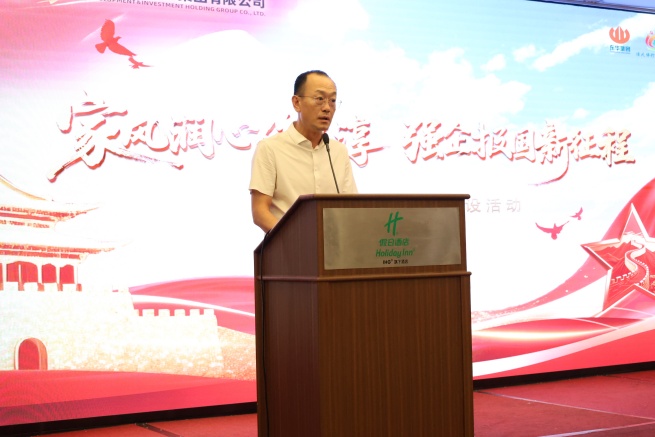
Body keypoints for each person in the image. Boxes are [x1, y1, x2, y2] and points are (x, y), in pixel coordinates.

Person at [249, 70, 358, 232]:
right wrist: (297, 239)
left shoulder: (338, 151)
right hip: (289, 246)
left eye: (333, 100)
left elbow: (352, 208)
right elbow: (260, 212)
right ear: (296, 103)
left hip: (333, 246)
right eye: (319, 99)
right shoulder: (270, 148)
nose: (327, 108)